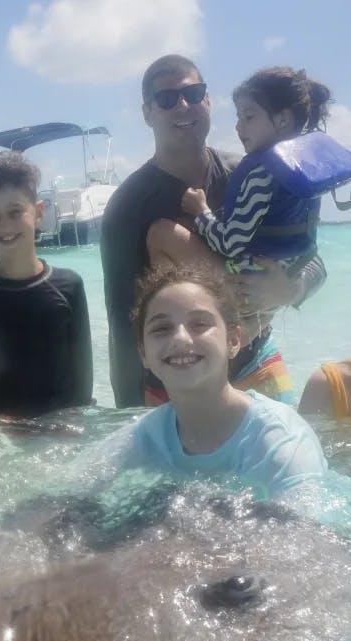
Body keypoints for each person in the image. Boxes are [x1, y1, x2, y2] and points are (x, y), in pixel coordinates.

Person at [101, 54, 327, 409]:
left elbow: (312, 257)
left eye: (194, 93)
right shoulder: (128, 207)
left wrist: (290, 289)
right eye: (166, 99)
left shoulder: (253, 174)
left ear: (208, 100)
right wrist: (130, 417)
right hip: (176, 383)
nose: (183, 106)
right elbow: (122, 322)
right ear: (148, 114)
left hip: (256, 361)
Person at [100, 263, 326, 499]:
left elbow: (305, 532)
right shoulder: (146, 436)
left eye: (200, 324)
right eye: (162, 328)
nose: (180, 338)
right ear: (143, 353)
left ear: (233, 340)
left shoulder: (279, 443)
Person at [0, 150, 93, 417]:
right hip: (0, 438)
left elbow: (83, 382)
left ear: (38, 212)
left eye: (16, 212)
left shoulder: (69, 285)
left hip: (60, 436)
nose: (5, 226)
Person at [181, 67, 347, 277]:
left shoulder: (261, 175)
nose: (238, 127)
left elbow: (230, 244)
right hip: (292, 268)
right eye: (238, 117)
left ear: (282, 120)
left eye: (248, 117)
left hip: (252, 278)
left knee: (165, 236)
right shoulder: (305, 169)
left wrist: (200, 211)